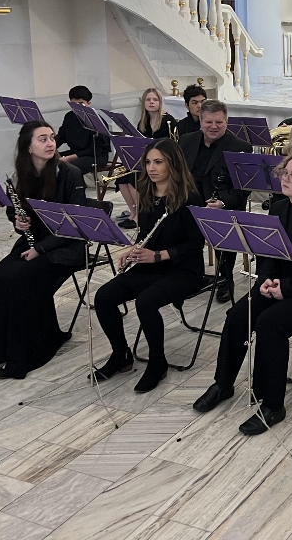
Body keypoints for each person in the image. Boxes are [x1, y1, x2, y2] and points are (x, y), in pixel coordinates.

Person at [192, 154, 292, 434]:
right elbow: (268, 253)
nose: (285, 178)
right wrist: (265, 281)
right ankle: (223, 384)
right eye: (284, 172)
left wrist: (285, 290)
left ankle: (274, 404)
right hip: (277, 284)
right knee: (238, 315)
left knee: (269, 324)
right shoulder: (278, 208)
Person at [0, 120, 86, 379]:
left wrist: (42, 249)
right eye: (42, 139)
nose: (50, 143)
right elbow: (14, 210)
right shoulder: (20, 175)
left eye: (52, 138)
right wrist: (18, 220)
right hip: (32, 241)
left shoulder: (70, 174)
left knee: (20, 280)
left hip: (65, 247)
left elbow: (75, 225)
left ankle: (27, 353)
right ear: (28, 147)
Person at [93, 138, 206, 393]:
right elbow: (147, 234)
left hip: (183, 270)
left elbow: (195, 244)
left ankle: (158, 363)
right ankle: (120, 355)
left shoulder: (191, 198)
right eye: (148, 162)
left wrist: (158, 256)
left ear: (173, 165)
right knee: (104, 296)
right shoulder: (146, 192)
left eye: (158, 162)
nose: (151, 168)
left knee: (146, 301)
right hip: (151, 265)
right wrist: (134, 250)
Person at [179, 99, 252, 302]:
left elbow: (244, 190)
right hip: (188, 203)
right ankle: (191, 277)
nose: (213, 127)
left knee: (224, 227)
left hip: (221, 207)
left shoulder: (241, 147)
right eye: (209, 122)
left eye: (219, 122)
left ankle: (226, 280)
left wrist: (222, 203)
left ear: (226, 122)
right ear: (200, 121)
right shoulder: (186, 140)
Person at [118, 88, 178, 229]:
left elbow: (171, 147)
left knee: (134, 178)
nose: (151, 102)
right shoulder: (143, 122)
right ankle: (133, 212)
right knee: (122, 178)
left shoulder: (167, 121)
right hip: (146, 161)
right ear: (144, 103)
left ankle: (140, 215)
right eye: (148, 100)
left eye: (155, 99)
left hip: (161, 162)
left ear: (160, 102)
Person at [55, 85, 109, 178]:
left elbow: (97, 149)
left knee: (70, 168)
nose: (77, 107)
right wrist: (49, 148)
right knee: (45, 161)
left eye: (81, 104)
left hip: (95, 156)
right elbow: (61, 136)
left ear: (89, 103)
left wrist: (70, 158)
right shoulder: (69, 117)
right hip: (75, 152)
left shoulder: (96, 120)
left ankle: (73, 190)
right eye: (73, 104)